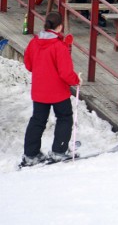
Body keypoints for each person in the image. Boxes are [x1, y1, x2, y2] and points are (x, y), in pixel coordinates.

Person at [22, 12, 80, 166]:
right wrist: (76, 80)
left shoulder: (34, 42)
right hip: (58, 91)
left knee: (37, 121)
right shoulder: (59, 46)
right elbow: (65, 73)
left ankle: (31, 154)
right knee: (64, 117)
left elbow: (28, 64)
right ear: (60, 27)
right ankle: (59, 151)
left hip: (40, 90)